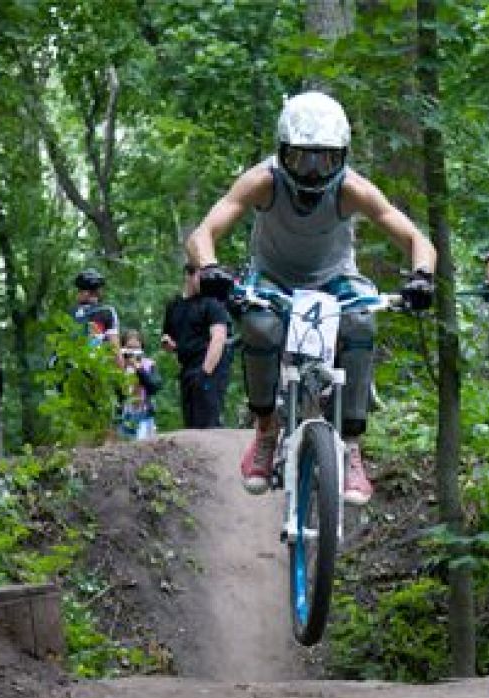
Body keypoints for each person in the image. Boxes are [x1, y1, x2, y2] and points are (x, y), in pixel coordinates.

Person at [184, 90, 436, 505]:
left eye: (326, 159)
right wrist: (209, 267)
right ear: (283, 152)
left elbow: (412, 236)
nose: (315, 172)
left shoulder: (351, 188)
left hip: (335, 279)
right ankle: (265, 431)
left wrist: (422, 277)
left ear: (342, 156)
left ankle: (351, 447)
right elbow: (203, 232)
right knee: (259, 325)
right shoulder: (262, 181)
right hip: (273, 279)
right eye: (303, 158)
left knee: (361, 320)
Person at [161, 261, 232, 428]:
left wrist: (206, 372)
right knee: (191, 420)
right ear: (189, 275)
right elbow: (167, 335)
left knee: (207, 419)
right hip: (186, 366)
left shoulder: (212, 303)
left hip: (208, 365)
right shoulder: (174, 305)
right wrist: (167, 342)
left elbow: (218, 338)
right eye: (201, 275)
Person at [116, 330, 161, 441]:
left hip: (144, 415)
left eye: (136, 348)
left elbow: (154, 387)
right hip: (123, 415)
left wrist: (139, 369)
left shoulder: (149, 364)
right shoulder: (118, 366)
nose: (133, 351)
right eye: (129, 347)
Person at [72, 268, 121, 353]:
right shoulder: (107, 311)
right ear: (99, 291)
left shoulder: (68, 313)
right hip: (94, 363)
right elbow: (114, 348)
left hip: (68, 362)